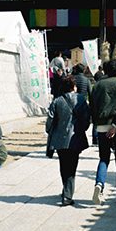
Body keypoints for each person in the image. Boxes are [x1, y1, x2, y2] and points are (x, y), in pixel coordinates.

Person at [90, 59, 116, 205]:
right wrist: (115, 125)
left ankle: (99, 184)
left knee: (104, 158)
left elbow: (93, 106)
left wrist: (97, 123)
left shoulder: (97, 85)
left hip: (102, 126)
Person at [45, 75, 91, 206]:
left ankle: (66, 190)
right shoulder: (81, 99)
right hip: (75, 137)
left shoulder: (57, 101)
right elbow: (87, 118)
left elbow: (50, 121)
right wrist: (83, 128)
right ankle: (67, 196)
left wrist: (50, 131)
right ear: (73, 87)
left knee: (63, 165)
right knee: (72, 166)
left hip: (60, 139)